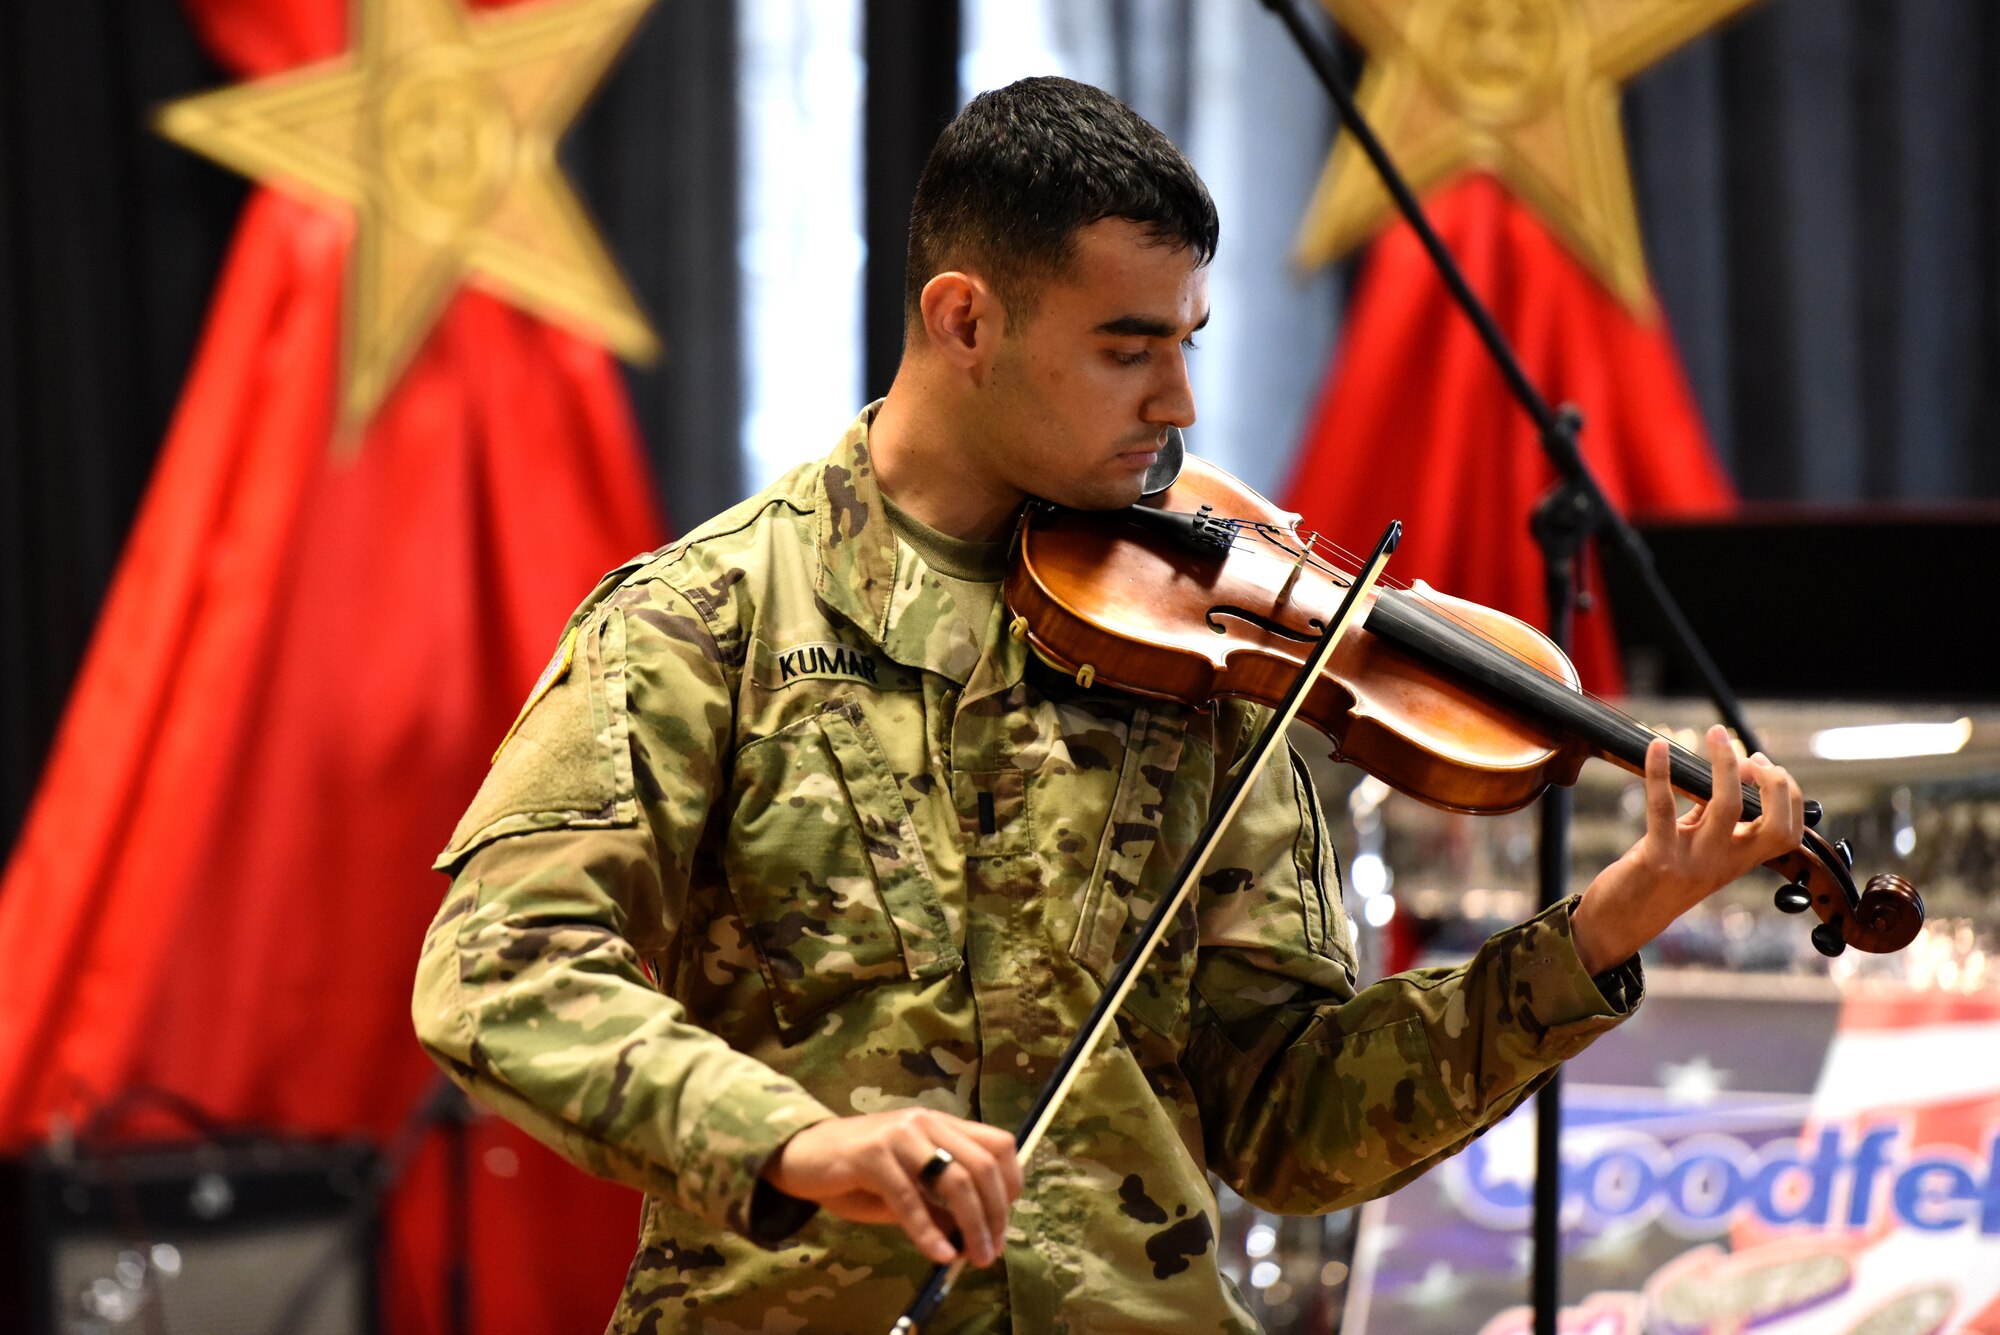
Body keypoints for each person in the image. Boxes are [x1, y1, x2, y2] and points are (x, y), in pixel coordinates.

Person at [412, 75, 1802, 1334]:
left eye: (1191, 339)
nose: (1180, 400)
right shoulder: (704, 619)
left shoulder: (1203, 637)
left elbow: (1290, 1120)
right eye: (1127, 347)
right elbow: (501, 973)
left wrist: (1600, 933)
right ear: (966, 319)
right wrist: (789, 1141)